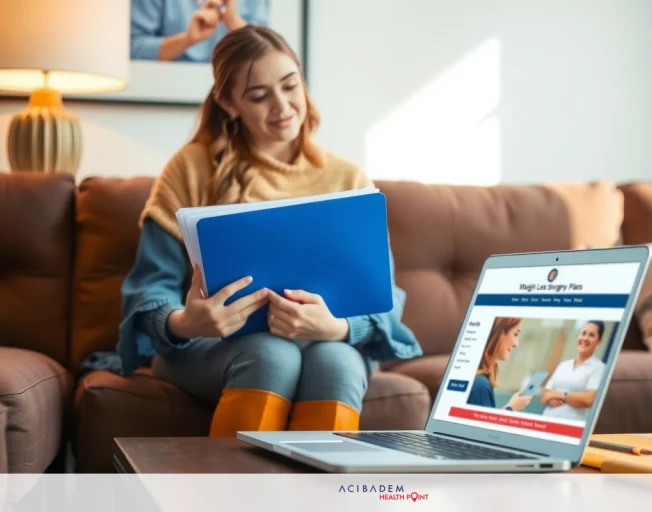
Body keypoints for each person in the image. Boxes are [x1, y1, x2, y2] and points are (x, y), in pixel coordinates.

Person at [117, 25, 423, 436]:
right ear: (228, 104)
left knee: (338, 361)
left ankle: (320, 499)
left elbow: (380, 294)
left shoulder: (347, 179)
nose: (281, 106)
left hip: (328, 342)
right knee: (272, 354)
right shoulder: (191, 168)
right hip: (209, 347)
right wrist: (185, 322)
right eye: (259, 96)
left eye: (289, 86)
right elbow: (151, 286)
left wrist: (338, 328)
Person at [130, 0, 270, 62]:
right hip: (167, 91)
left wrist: (232, 20)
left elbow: (268, 53)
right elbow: (133, 47)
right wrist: (186, 40)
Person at [539, 320, 607, 422]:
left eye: (591, 335)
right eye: (583, 333)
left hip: (570, 428)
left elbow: (589, 399)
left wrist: (561, 394)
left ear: (599, 341)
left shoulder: (599, 368)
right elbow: (544, 396)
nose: (585, 338)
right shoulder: (563, 365)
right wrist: (572, 399)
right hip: (546, 422)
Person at [466, 317, 533, 412]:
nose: (516, 344)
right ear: (500, 333)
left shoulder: (477, 379)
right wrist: (511, 408)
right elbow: (484, 426)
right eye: (515, 334)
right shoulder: (480, 385)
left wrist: (511, 406)